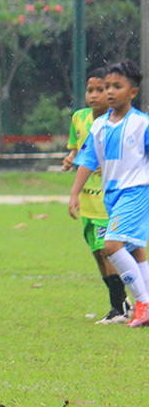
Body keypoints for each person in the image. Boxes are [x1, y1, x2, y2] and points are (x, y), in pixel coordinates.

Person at [69, 60, 149, 328]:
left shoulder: (142, 124)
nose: (110, 91)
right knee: (137, 249)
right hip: (112, 195)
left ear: (133, 93)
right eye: (107, 86)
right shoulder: (99, 125)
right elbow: (87, 160)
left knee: (112, 245)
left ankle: (142, 303)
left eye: (117, 86)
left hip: (136, 192)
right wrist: (74, 193)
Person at [62, 67, 131, 323]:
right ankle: (121, 304)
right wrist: (70, 159)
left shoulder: (119, 122)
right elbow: (76, 150)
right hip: (87, 201)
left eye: (100, 90)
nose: (94, 95)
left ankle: (120, 307)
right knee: (97, 253)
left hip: (108, 200)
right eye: (90, 90)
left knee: (108, 250)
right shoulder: (79, 118)